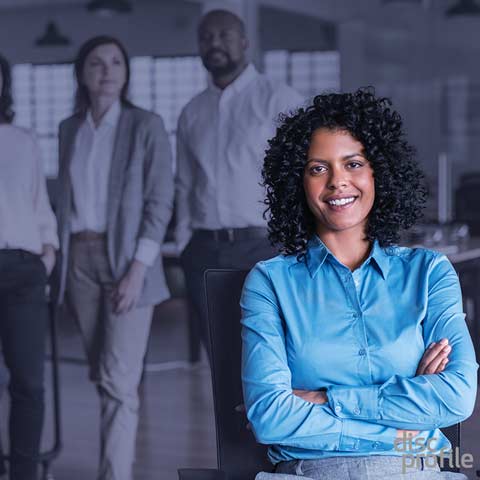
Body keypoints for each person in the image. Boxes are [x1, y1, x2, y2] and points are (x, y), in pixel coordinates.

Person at [241, 88, 477, 479]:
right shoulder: (270, 282)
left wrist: (322, 399)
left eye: (353, 163)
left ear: (377, 173)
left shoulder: (430, 272)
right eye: (318, 168)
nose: (337, 182)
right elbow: (270, 418)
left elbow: (457, 397)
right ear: (297, 182)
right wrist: (407, 410)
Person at [55, 36, 173, 480]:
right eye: (96, 63)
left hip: (128, 261)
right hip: (78, 260)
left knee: (120, 382)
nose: (106, 70)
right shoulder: (70, 129)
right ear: (82, 73)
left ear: (126, 72)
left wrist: (137, 270)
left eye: (116, 62)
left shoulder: (146, 125)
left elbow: (159, 201)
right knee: (103, 375)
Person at [175, 9, 304, 361]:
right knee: (220, 359)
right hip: (204, 250)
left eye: (223, 35)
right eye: (206, 37)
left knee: (272, 356)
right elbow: (185, 182)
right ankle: (226, 420)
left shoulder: (280, 99)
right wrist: (186, 243)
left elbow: (304, 175)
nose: (214, 43)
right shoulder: (192, 112)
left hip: (263, 248)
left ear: (244, 43)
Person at [0, 53, 58, 480]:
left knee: (28, 384)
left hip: (23, 269)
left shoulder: (22, 139)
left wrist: (48, 252)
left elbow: (40, 204)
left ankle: (23, 474)